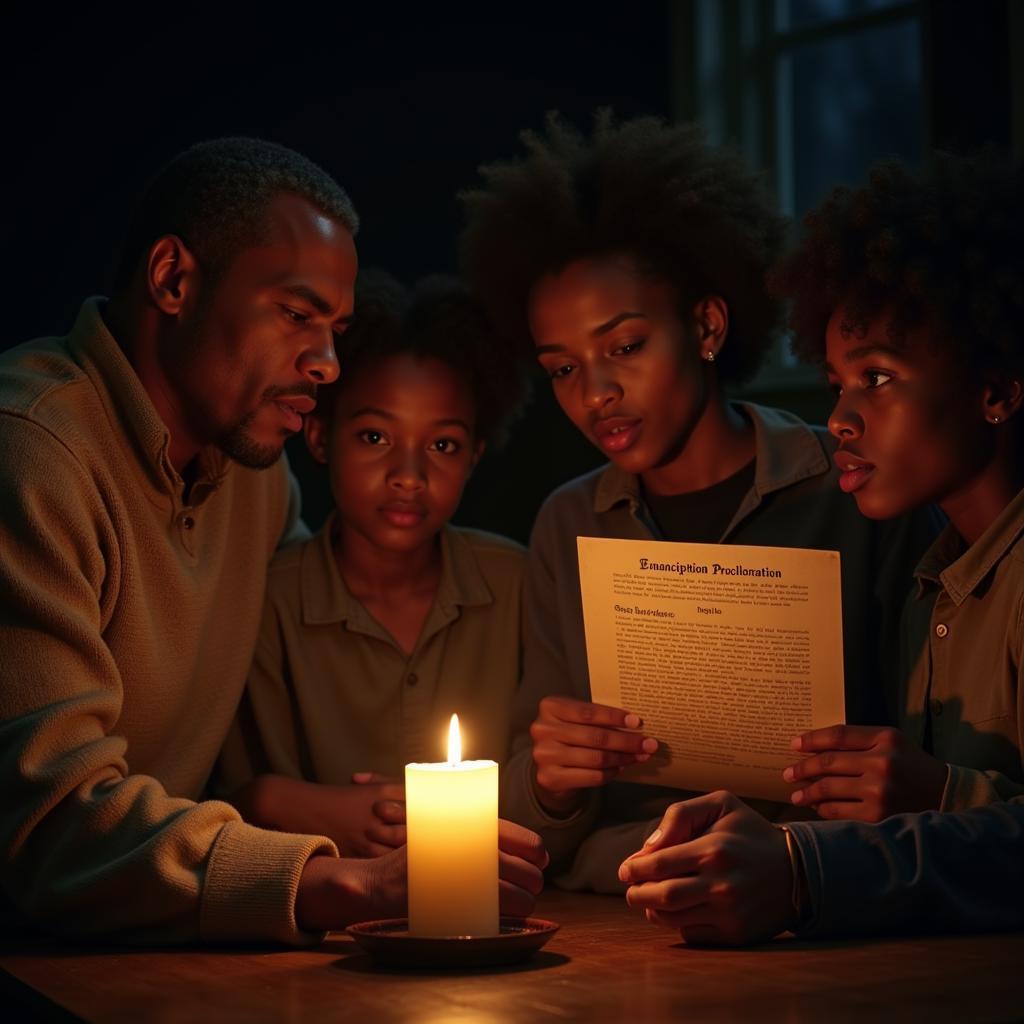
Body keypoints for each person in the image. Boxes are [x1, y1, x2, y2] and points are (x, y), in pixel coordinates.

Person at [0, 138, 545, 945]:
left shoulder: (253, 473)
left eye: (337, 329)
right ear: (174, 279)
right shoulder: (34, 453)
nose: (327, 364)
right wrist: (343, 880)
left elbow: (306, 614)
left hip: (163, 947)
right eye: (296, 315)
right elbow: (47, 828)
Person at [458, 111, 938, 893]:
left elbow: (924, 765)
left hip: (821, 900)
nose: (597, 392)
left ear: (707, 326)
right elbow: (526, 811)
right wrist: (548, 779)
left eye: (624, 347)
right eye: (562, 369)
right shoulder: (569, 523)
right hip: (621, 904)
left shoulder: (852, 483)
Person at [621, 152, 1024, 942]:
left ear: (997, 391)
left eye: (876, 378)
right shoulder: (929, 581)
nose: (839, 417)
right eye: (836, 382)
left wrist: (812, 863)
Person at [214, 273, 530, 858]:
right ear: (318, 436)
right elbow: (229, 805)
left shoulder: (518, 585)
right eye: (375, 436)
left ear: (474, 457)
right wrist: (283, 803)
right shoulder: (267, 602)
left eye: (442, 446)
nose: (408, 474)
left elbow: (551, 802)